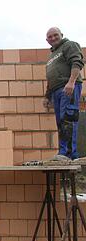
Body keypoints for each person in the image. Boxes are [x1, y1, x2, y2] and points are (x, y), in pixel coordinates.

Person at [43, 28, 84, 161]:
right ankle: (63, 152)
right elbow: (51, 77)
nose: (53, 38)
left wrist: (71, 82)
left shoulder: (69, 45)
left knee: (69, 117)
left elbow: (77, 62)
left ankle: (70, 154)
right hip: (56, 91)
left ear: (61, 35)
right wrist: (47, 96)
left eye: (55, 35)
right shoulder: (51, 56)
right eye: (50, 37)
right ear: (47, 40)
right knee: (61, 121)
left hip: (68, 87)